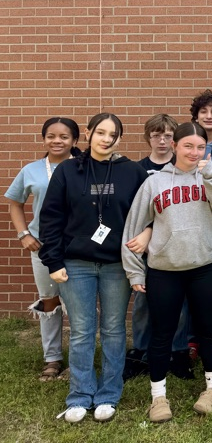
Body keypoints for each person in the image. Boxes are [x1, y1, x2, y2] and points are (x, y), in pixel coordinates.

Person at [122, 122, 212, 423]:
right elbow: (134, 226)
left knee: (210, 331)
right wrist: (135, 272)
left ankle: (211, 390)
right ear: (175, 146)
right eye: (188, 145)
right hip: (165, 270)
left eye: (200, 147)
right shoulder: (154, 182)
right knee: (162, 334)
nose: (194, 152)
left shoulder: (210, 176)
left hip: (205, 266)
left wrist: (211, 174)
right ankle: (158, 397)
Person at [39, 113, 149, 423]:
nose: (105, 138)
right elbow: (51, 218)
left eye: (112, 134)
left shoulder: (132, 171)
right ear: (88, 133)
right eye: (100, 131)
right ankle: (80, 394)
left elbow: (152, 211)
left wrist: (148, 233)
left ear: (119, 138)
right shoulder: (68, 171)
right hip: (76, 264)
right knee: (83, 330)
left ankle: (108, 394)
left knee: (114, 330)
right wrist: (54, 261)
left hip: (117, 264)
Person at [5, 117, 80, 382]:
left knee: (78, 303)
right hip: (42, 246)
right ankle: (52, 358)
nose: (57, 141)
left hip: (76, 247)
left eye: (64, 137)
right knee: (50, 301)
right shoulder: (32, 170)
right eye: (51, 136)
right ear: (44, 138)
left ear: (74, 140)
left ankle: (79, 359)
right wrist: (23, 233)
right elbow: (15, 203)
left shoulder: (82, 167)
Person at [124, 113, 193, 382]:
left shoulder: (183, 169)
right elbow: (133, 210)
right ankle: (140, 353)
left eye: (167, 135)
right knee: (143, 302)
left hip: (176, 248)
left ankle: (178, 353)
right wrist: (144, 233)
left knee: (179, 304)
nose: (162, 140)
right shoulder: (136, 170)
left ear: (175, 141)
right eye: (156, 135)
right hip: (144, 249)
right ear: (147, 138)